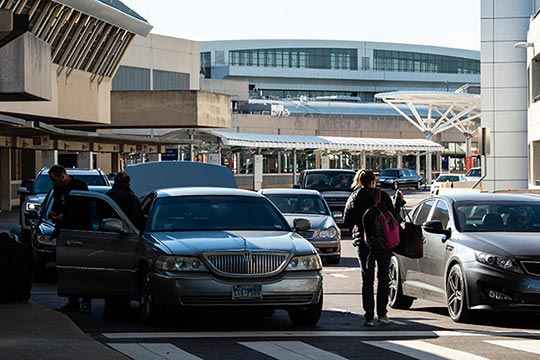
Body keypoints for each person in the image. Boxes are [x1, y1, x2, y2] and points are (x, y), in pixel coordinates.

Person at [344, 169, 405, 327]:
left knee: (367, 279)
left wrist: (358, 231)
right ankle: (382, 314)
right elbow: (394, 218)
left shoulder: (354, 198)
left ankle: (368, 316)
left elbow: (347, 219)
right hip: (383, 242)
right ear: (373, 181)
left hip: (363, 243)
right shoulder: (382, 196)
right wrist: (398, 202)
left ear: (359, 182)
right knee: (384, 277)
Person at [48, 165, 92, 313]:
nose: (54, 183)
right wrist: (54, 214)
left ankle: (86, 300)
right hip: (65, 231)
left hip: (81, 230)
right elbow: (57, 204)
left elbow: (84, 209)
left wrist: (65, 216)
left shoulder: (79, 186)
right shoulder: (58, 189)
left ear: (62, 176)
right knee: (68, 268)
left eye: (55, 180)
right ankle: (72, 300)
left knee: (84, 269)